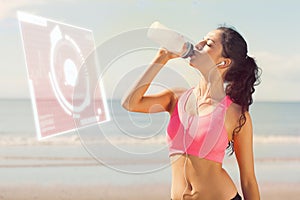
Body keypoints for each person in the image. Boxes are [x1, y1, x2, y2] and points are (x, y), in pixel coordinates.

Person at [122, 26, 261, 200]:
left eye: (208, 43)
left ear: (223, 62)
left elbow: (248, 180)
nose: (199, 44)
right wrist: (161, 58)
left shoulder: (235, 114)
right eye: (202, 39)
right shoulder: (176, 98)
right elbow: (130, 103)